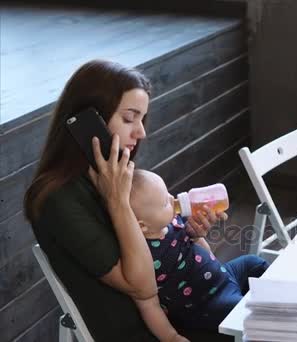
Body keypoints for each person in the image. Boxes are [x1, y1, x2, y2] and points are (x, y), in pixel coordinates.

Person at [22, 59, 261, 341]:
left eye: (141, 119)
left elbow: (168, 238)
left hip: (193, 295)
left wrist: (194, 233)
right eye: (128, 118)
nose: (141, 132)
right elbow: (143, 287)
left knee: (272, 281)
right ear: (89, 122)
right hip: (159, 329)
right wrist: (118, 201)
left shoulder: (112, 173)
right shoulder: (57, 199)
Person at [129, 169, 268, 336]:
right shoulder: (145, 254)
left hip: (223, 276)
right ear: (142, 226)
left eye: (168, 193)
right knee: (241, 312)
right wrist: (171, 337)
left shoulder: (173, 221)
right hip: (206, 304)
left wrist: (196, 237)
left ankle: (278, 299)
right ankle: (275, 322)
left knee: (254, 263)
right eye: (165, 203)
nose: (173, 200)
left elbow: (207, 254)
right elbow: (148, 304)